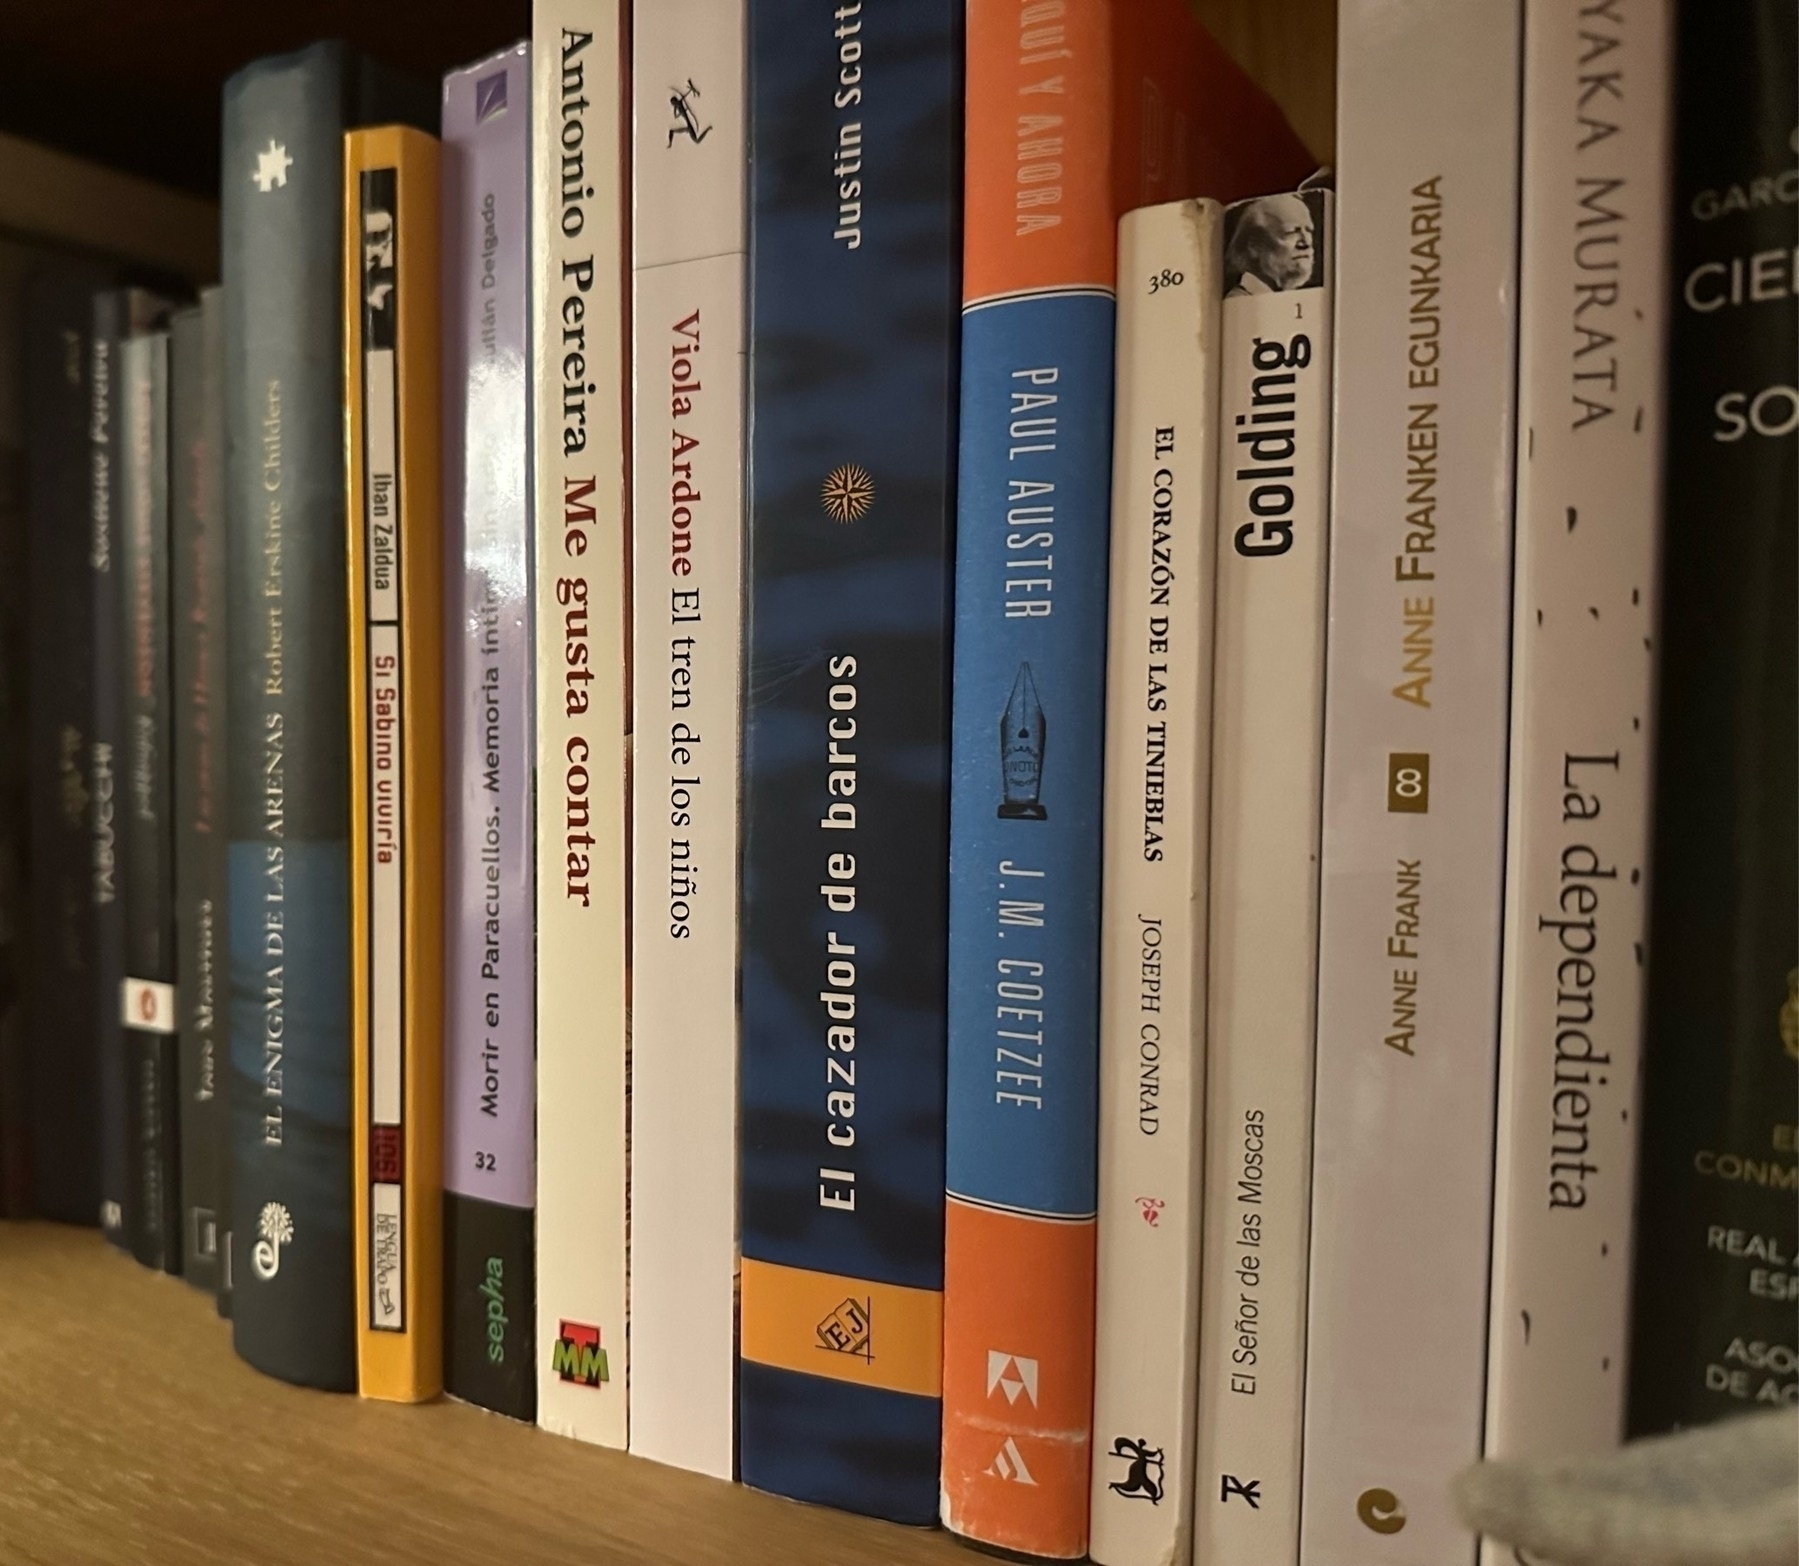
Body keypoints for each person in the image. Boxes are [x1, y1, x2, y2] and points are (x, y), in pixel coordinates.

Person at [1224, 193, 1316, 296]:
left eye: (1309, 230)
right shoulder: (1240, 301)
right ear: (1254, 246)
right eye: (1290, 232)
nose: (1306, 243)